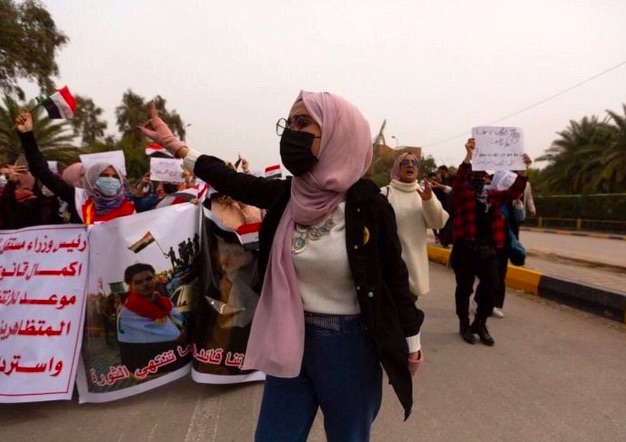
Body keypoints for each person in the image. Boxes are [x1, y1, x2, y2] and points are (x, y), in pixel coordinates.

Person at [138, 91, 424, 441]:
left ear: (337, 133)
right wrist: (174, 145)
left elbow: (394, 276)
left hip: (350, 347)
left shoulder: (368, 204)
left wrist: (411, 338)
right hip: (290, 337)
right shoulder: (287, 195)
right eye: (288, 124)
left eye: (303, 123)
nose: (291, 132)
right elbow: (230, 181)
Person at [450, 138, 531, 346]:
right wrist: (468, 156)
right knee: (464, 288)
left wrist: (523, 171)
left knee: (492, 286)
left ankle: (480, 322)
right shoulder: (463, 193)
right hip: (465, 248)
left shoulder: (493, 196)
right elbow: (458, 181)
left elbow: (513, 192)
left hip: (487, 250)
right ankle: (464, 324)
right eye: (477, 177)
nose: (481, 181)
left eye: (484, 177)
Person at [15, 111, 137, 224]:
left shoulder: (129, 207)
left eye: (115, 176)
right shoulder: (79, 199)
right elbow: (42, 172)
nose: (111, 180)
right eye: (104, 175)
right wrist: (27, 136)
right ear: (91, 179)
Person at [381, 152, 449, 299]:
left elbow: (438, 223)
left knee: (407, 318)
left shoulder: (424, 193)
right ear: (397, 168)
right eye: (405, 162)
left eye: (414, 163)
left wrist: (428, 201)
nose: (410, 165)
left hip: (412, 271)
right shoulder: (385, 194)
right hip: (387, 271)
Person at [117, 263, 186, 372]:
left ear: (154, 279)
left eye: (149, 279)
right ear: (131, 286)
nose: (145, 284)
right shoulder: (127, 314)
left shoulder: (165, 302)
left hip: (180, 358)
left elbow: (180, 321)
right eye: (139, 282)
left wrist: (183, 330)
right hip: (152, 366)